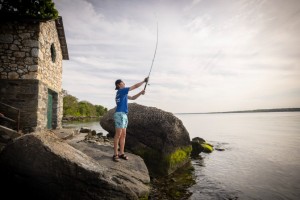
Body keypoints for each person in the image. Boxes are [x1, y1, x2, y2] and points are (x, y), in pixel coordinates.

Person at [113, 77, 148, 162]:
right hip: (119, 114)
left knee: (123, 134)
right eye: (122, 83)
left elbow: (132, 98)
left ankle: (121, 153)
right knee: (118, 134)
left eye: (124, 83)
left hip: (124, 115)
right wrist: (144, 81)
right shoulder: (121, 91)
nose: (124, 84)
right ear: (118, 85)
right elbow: (135, 86)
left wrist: (140, 93)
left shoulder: (122, 93)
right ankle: (115, 154)